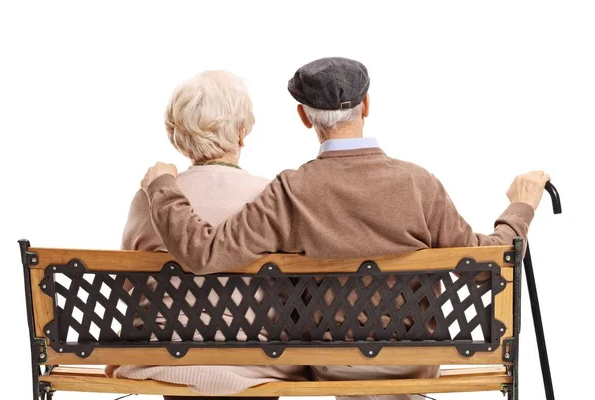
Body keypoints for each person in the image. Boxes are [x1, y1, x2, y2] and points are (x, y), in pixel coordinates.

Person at [140, 57, 550, 400]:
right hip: (413, 363)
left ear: (303, 116)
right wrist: (521, 205)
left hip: (332, 364)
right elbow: (491, 262)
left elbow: (205, 254)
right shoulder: (418, 183)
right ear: (367, 104)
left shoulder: (290, 190)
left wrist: (163, 187)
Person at [107, 70, 306, 400]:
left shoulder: (151, 198)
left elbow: (131, 282)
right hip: (259, 361)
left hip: (167, 358)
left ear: (178, 135)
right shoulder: (272, 197)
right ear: (242, 133)